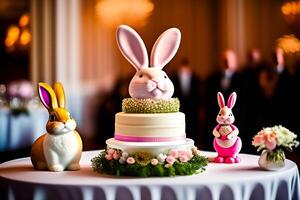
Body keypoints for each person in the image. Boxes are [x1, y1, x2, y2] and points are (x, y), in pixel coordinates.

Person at [204, 49, 243, 151]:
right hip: (215, 122)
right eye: (225, 60)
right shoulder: (211, 79)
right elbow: (207, 102)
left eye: (230, 59)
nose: (227, 62)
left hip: (238, 122)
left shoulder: (243, 79)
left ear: (235, 61)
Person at [171, 58, 201, 146]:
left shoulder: (195, 78)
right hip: (180, 107)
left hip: (192, 107)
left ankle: (193, 144)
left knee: (192, 126)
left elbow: (198, 94)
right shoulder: (174, 78)